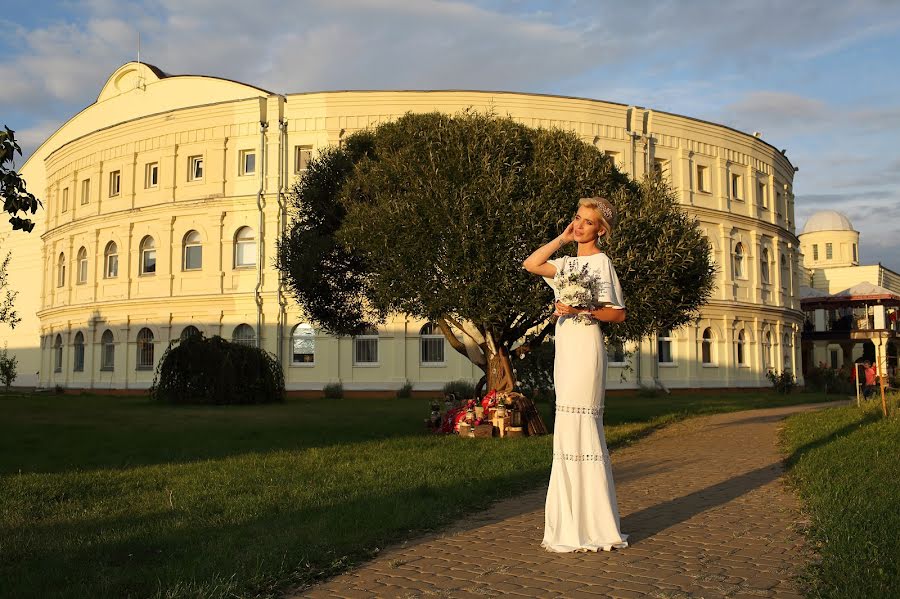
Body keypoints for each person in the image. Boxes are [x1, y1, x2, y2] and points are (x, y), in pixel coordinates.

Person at [523, 196, 629, 552]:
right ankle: (568, 524)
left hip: (587, 346)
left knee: (584, 426)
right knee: (566, 427)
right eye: (577, 219)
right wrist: (562, 239)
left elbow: (618, 314)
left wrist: (584, 309)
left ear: (601, 229)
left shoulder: (602, 263)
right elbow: (531, 263)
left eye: (587, 222)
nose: (580, 225)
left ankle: (595, 525)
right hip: (565, 347)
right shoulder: (566, 263)